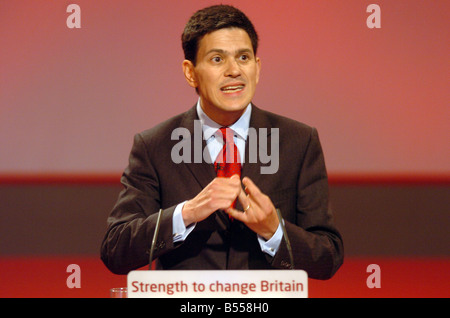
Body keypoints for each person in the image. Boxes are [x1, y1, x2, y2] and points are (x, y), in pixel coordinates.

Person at [101, 4, 343, 279]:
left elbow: (328, 256)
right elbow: (115, 250)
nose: (234, 70)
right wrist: (188, 212)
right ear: (190, 72)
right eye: (217, 59)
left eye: (243, 57)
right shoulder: (155, 145)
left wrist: (274, 231)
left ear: (257, 67)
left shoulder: (298, 142)